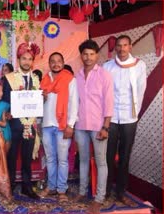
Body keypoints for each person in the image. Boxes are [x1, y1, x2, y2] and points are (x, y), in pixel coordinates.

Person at [103, 35, 147, 203]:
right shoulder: (107, 66)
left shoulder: (139, 65)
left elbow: (141, 89)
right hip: (111, 118)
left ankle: (121, 192)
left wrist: (134, 115)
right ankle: (105, 191)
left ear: (130, 46)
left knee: (124, 156)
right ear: (115, 48)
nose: (121, 49)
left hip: (129, 118)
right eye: (118, 46)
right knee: (107, 156)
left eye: (125, 45)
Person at [73, 40, 114, 213]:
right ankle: (82, 192)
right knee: (82, 160)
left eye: (91, 54)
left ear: (97, 55)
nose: (88, 57)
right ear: (81, 56)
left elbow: (109, 102)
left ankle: (99, 198)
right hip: (81, 125)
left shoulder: (104, 75)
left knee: (100, 162)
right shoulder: (78, 75)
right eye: (85, 54)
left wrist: (105, 127)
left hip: (98, 126)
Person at [2, 42, 41, 200]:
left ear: (33, 61)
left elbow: (37, 102)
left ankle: (27, 187)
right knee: (11, 157)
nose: (26, 61)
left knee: (26, 157)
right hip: (14, 124)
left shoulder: (36, 79)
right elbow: (5, 100)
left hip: (30, 124)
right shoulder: (9, 78)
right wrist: (7, 112)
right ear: (19, 60)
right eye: (23, 58)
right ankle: (9, 186)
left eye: (29, 59)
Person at [39, 52, 79, 203]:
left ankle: (62, 189)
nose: (56, 64)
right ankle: (51, 187)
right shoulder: (44, 80)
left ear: (63, 63)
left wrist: (70, 125)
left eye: (58, 61)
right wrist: (40, 98)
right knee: (50, 158)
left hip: (63, 126)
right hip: (47, 125)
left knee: (62, 160)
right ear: (49, 64)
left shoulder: (70, 79)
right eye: (53, 62)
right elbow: (39, 105)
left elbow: (74, 103)